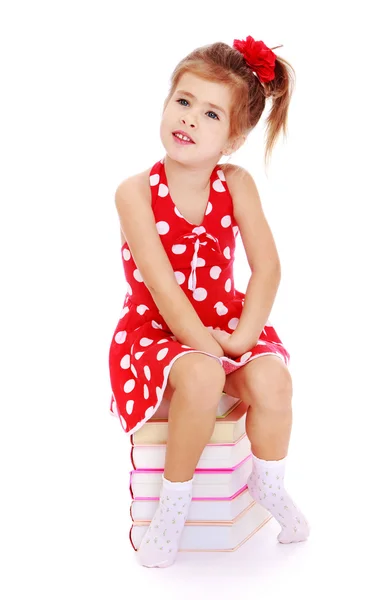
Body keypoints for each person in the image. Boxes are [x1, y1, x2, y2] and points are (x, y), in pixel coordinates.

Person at [109, 35, 310, 568]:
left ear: (234, 137)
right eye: (183, 101)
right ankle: (172, 508)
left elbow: (267, 267)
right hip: (157, 329)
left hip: (224, 323)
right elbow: (162, 288)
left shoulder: (236, 184)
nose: (190, 119)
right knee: (200, 376)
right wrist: (214, 358)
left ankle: (268, 484)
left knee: (273, 379)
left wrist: (242, 339)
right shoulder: (135, 193)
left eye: (211, 114)